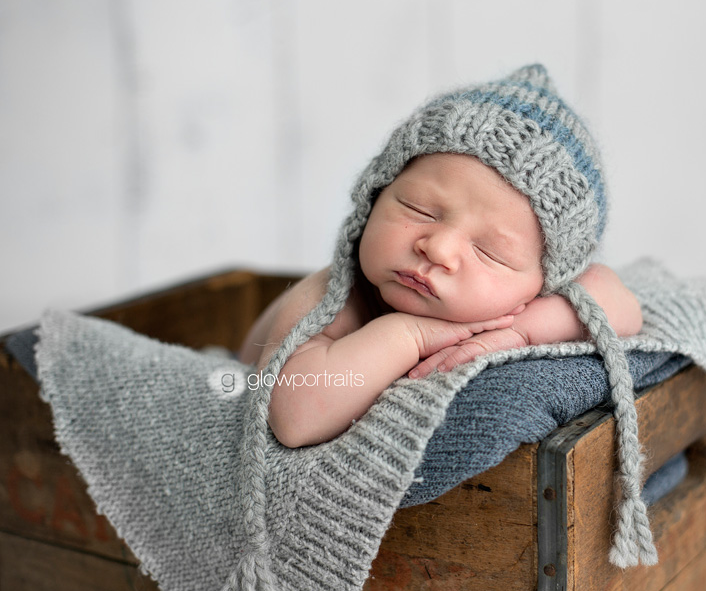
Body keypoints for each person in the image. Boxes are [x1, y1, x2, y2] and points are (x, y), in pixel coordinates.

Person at [238, 150, 643, 449]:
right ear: (375, 197)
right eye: (420, 209)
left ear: (544, 284)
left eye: (490, 252)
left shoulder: (525, 304)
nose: (438, 248)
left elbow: (620, 303)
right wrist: (408, 334)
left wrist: (521, 331)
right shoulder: (332, 295)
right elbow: (295, 417)